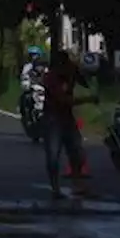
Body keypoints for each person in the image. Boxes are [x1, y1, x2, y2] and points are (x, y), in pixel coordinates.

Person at [41, 50, 95, 198]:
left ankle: (78, 184)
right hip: (53, 117)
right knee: (53, 155)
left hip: (67, 116)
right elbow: (62, 99)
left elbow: (84, 81)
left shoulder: (71, 72)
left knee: (76, 151)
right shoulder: (51, 78)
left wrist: (85, 76)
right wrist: (87, 99)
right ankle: (55, 188)